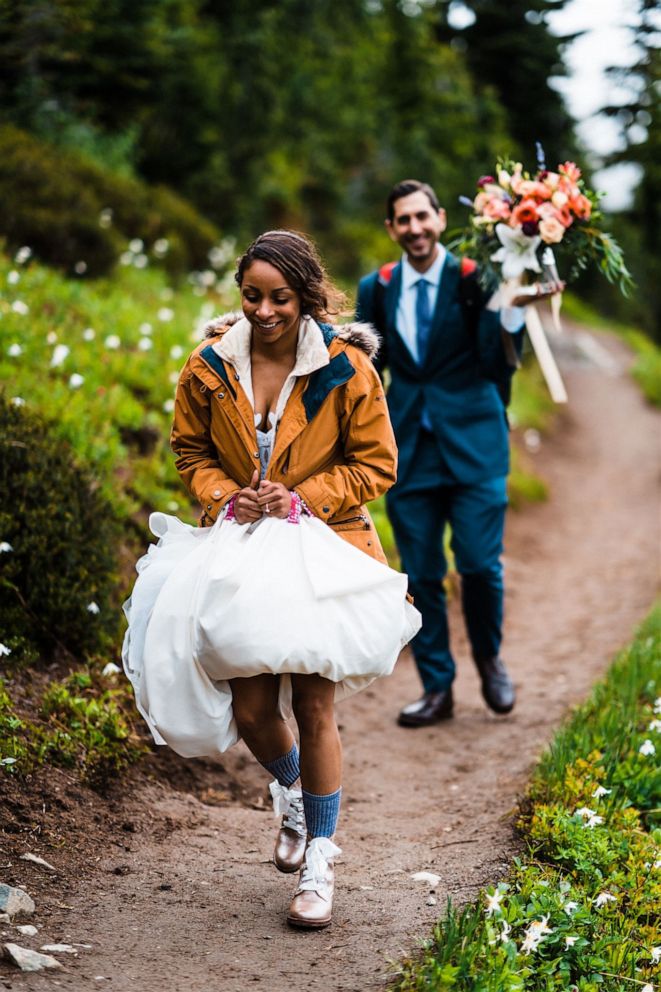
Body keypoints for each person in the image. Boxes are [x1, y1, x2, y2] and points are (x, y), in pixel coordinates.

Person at [122, 230, 420, 930]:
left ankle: (320, 858)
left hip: (324, 546)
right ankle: (291, 791)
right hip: (238, 549)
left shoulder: (346, 368)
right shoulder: (207, 366)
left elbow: (377, 464)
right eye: (251, 296)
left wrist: (301, 496)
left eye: (279, 298)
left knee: (315, 705)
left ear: (307, 295)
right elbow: (189, 450)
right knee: (252, 708)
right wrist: (227, 495)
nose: (263, 311)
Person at [356, 179, 560, 728]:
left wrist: (513, 311)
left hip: (475, 442)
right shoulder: (375, 288)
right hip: (408, 450)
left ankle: (490, 661)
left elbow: (498, 364)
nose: (415, 228)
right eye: (403, 220)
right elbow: (367, 376)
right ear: (391, 228)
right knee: (421, 574)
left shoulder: (477, 279)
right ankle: (437, 688)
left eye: (423, 216)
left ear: (441, 218)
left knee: (478, 565)